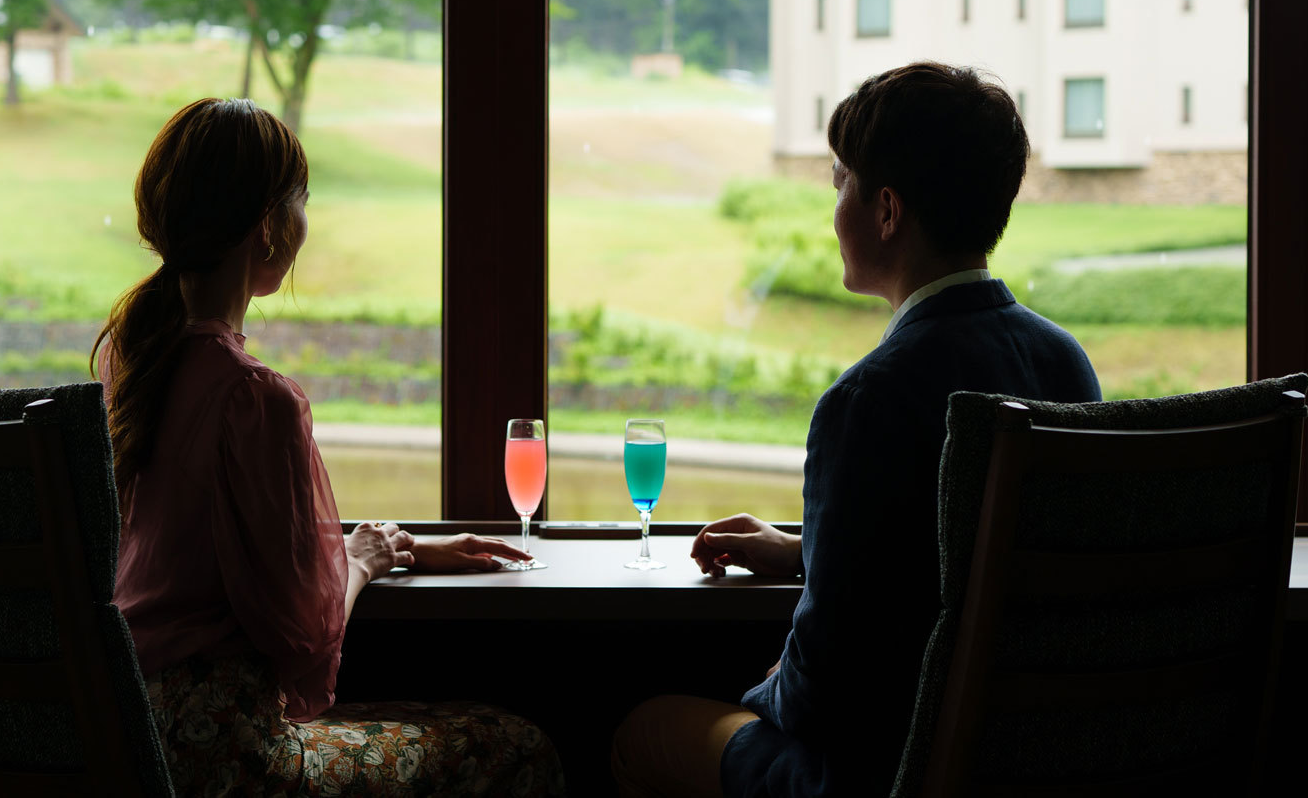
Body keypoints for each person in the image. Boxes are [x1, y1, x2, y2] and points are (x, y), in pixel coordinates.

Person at [610, 63, 1101, 797]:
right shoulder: (1066, 364)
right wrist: (810, 552)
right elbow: (969, 559)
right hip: (1031, 766)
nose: (832, 205)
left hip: (881, 773)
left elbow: (820, 694)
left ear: (886, 211)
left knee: (644, 728)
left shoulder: (872, 396)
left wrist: (771, 687)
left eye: (839, 181)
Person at [98, 97, 566, 796]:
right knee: (516, 746)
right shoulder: (254, 397)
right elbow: (306, 636)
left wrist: (390, 546)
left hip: (131, 736)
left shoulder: (128, 363)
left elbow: (221, 549)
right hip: (227, 757)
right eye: (302, 199)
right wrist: (359, 562)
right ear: (268, 227)